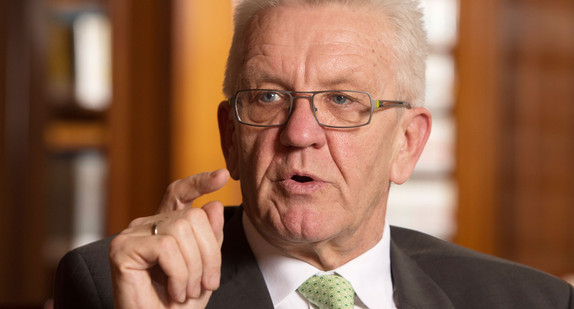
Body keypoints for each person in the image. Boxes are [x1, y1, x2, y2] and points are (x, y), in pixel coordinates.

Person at [54, 0, 574, 308]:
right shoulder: (112, 287)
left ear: (407, 143)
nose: (299, 133)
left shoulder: (533, 301)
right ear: (230, 138)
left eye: (342, 100)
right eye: (268, 97)